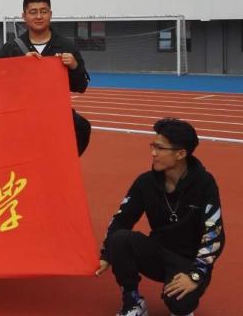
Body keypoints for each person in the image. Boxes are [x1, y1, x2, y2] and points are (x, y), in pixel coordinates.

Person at [96, 118, 224, 316]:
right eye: (153, 146)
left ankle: (182, 303)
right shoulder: (145, 182)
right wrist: (106, 255)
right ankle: (133, 302)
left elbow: (214, 233)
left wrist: (196, 274)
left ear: (180, 154)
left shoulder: (204, 184)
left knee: (180, 305)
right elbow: (122, 219)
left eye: (160, 148)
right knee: (119, 239)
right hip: (157, 252)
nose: (153, 153)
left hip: (188, 261)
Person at [0, 0, 91, 155]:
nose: (39, 16)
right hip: (21, 114)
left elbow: (81, 87)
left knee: (82, 127)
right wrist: (18, 65)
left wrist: (75, 66)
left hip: (55, 114)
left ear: (50, 14)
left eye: (43, 11)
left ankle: (66, 162)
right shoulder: (12, 48)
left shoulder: (66, 46)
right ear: (24, 16)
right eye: (33, 12)